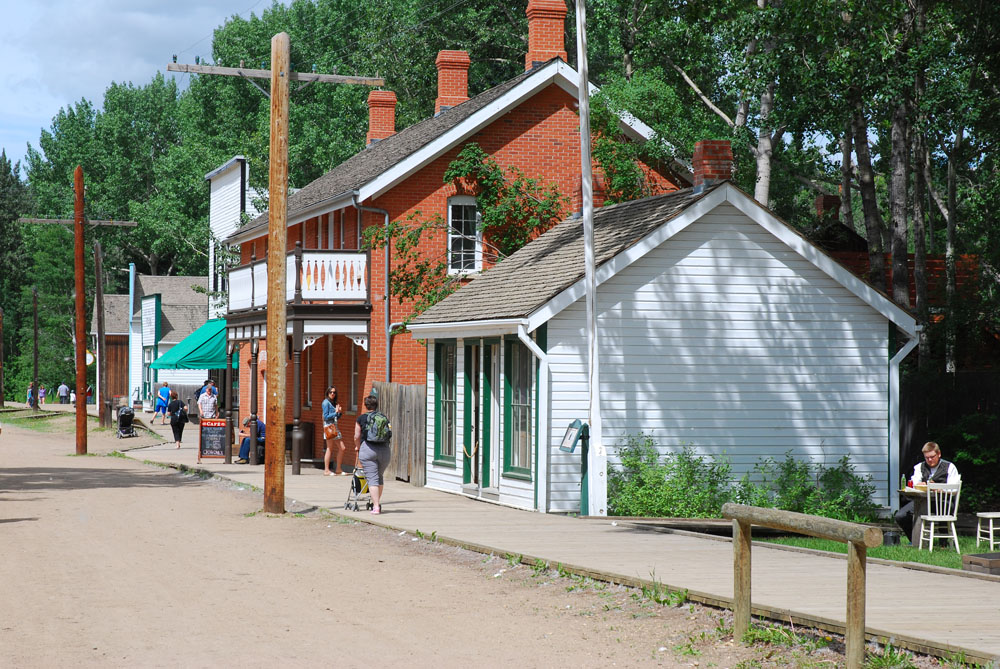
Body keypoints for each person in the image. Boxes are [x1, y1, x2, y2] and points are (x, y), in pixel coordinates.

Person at [895, 441, 961, 540]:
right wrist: (919, 485)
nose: (929, 460)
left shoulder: (949, 467)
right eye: (927, 457)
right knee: (900, 516)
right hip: (922, 501)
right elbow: (914, 482)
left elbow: (954, 488)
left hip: (943, 502)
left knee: (943, 510)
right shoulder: (919, 467)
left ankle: (943, 542)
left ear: (939, 454)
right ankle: (914, 540)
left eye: (932, 457)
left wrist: (939, 488)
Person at [354, 394, 391, 515]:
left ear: (366, 405)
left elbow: (357, 436)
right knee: (379, 477)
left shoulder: (361, 418)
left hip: (368, 449)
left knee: (372, 478)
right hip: (384, 450)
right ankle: (377, 502)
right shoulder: (383, 417)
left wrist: (358, 447)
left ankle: (375, 506)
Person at [322, 386, 347, 476]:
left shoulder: (333, 403)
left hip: (334, 426)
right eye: (330, 392)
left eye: (334, 392)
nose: (332, 394)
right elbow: (326, 416)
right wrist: (335, 413)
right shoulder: (326, 403)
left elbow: (336, 417)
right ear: (327, 393)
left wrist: (339, 412)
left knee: (332, 448)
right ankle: (328, 470)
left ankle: (337, 469)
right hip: (329, 427)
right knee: (339, 448)